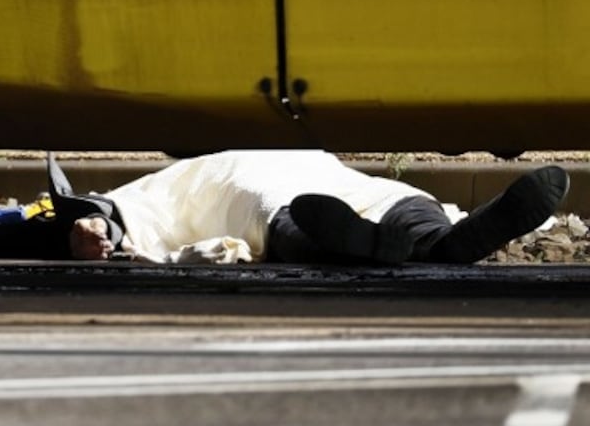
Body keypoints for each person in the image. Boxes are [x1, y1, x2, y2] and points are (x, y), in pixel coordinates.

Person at [55, 151, 570, 265]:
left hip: (280, 205)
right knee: (413, 210)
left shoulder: (197, 169)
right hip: (365, 192)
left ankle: (360, 249)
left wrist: (97, 229)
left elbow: (122, 211)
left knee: (292, 226)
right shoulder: (312, 155)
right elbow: (113, 214)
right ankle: (456, 240)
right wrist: (98, 225)